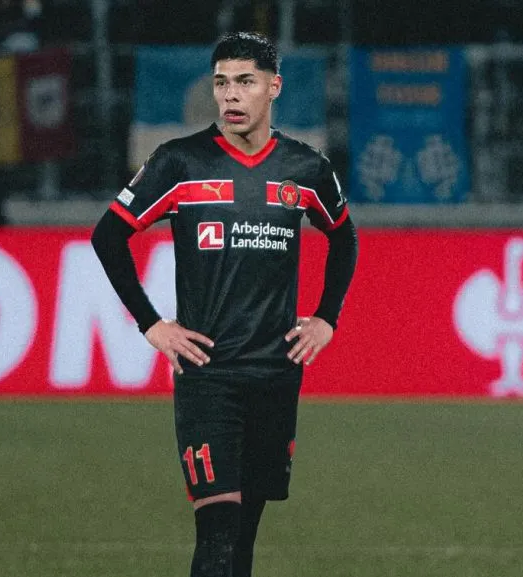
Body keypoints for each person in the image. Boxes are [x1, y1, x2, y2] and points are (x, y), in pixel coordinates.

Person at [90, 32, 358, 577]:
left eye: (244, 82)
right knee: (216, 530)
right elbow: (108, 237)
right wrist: (152, 325)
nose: (230, 95)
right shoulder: (179, 163)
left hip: (276, 373)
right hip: (207, 375)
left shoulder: (305, 169)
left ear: (273, 88)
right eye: (221, 83)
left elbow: (345, 237)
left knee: (244, 534)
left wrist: (327, 317)